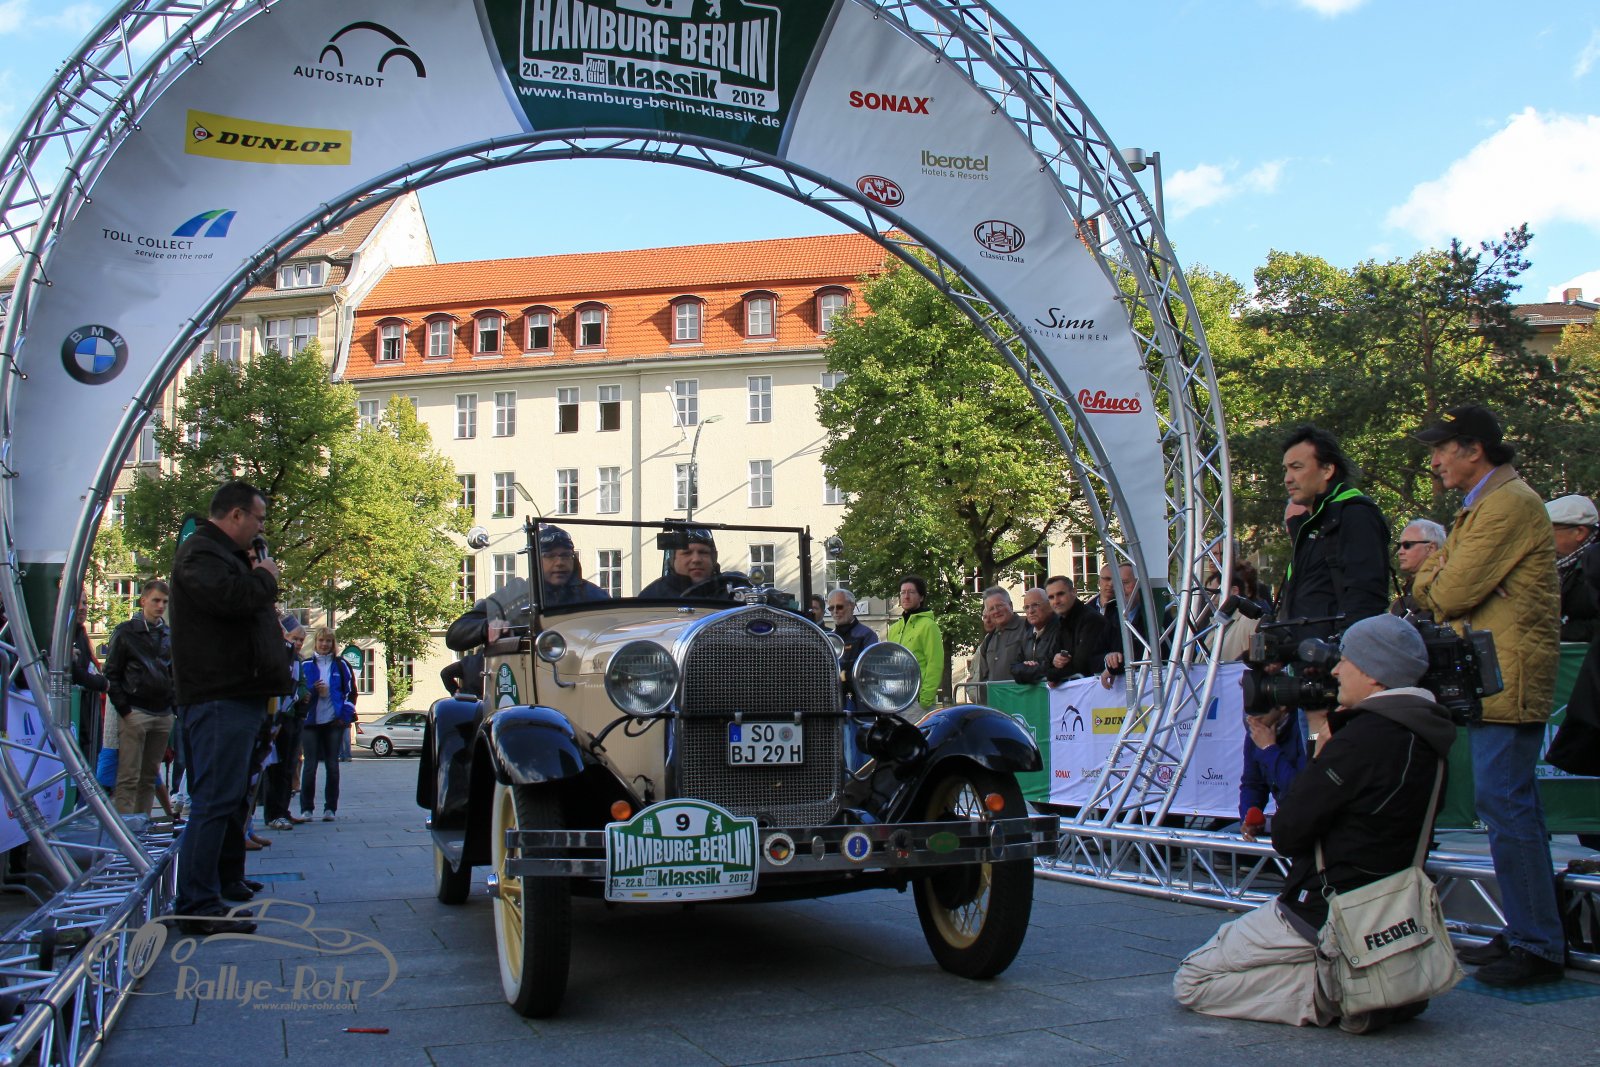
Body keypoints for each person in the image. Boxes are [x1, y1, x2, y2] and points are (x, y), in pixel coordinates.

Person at [1174, 614, 1455, 1031]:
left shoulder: (1360, 739)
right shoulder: (1431, 737)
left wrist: (1319, 748)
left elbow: (1289, 831)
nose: (1336, 671)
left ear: (1374, 673)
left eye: (1346, 661)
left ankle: (1344, 991)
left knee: (1193, 980)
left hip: (1326, 908)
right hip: (1391, 909)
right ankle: (1376, 979)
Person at [1411, 405, 1564, 987]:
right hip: (1496, 675)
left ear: (1474, 449)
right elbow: (1441, 585)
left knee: (1505, 803)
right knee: (1508, 804)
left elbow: (1446, 593)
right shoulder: (1486, 504)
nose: (1434, 461)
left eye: (1441, 448)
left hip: (1507, 676)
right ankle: (1530, 929)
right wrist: (1440, 577)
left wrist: (1436, 576)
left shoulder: (1506, 505)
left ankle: (1536, 943)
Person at [168, 480, 289, 935]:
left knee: (226, 797)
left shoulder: (224, 556)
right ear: (236, 514)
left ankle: (215, 887)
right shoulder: (200, 554)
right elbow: (232, 600)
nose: (261, 528)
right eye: (258, 518)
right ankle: (197, 905)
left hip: (237, 693)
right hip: (219, 696)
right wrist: (264, 577)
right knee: (214, 800)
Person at [1276, 425, 1390, 640]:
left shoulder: (1355, 514)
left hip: (1341, 655)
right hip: (1308, 655)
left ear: (1327, 470)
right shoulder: (1311, 524)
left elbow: (1366, 597)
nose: (1287, 478)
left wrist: (1343, 649)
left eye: (1297, 467)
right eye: (1285, 469)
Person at [446, 524, 609, 651]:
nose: (559, 562)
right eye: (550, 556)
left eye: (566, 555)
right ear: (535, 560)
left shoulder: (593, 595)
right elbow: (455, 634)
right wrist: (487, 627)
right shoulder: (516, 594)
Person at [104, 579, 175, 817]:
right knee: (129, 776)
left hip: (161, 711)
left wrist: (172, 705)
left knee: (149, 776)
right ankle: (127, 827)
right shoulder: (126, 632)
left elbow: (172, 672)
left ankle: (141, 823)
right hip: (136, 710)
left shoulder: (167, 634)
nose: (160, 606)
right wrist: (125, 710)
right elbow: (111, 673)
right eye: (156, 600)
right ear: (143, 601)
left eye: (164, 602)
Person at [299, 627, 355, 822]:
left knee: (332, 765)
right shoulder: (306, 665)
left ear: (333, 644)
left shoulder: (341, 665)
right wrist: (313, 690)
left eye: (328, 641)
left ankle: (330, 808)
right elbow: (298, 692)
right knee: (310, 766)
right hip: (310, 722)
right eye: (321, 640)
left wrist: (344, 717)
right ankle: (306, 809)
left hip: (334, 722)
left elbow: (350, 693)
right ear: (315, 642)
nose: (324, 644)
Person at [263, 620, 309, 831]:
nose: (298, 643)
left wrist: (302, 693)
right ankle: (274, 814)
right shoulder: (278, 657)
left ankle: (283, 810)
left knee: (289, 767)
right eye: (294, 639)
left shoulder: (297, 659)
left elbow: (301, 684)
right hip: (280, 717)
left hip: (294, 717)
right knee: (277, 768)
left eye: (301, 640)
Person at [1237, 705, 1306, 840]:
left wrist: (1269, 749)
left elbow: (1301, 793)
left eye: (1259, 714)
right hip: (1288, 825)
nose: (1251, 719)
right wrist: (1248, 819)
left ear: (1282, 706)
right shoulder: (1256, 731)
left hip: (1311, 824)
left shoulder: (1303, 726)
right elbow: (1253, 784)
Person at [886, 574, 943, 712]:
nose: (906, 596)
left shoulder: (929, 626)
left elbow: (935, 663)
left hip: (917, 700)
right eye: (903, 592)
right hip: (896, 699)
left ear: (921, 597)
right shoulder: (894, 629)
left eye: (911, 592)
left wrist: (925, 699)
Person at [1548, 494, 1599, 643]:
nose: (1542, 539)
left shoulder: (1595, 563)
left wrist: (1557, 631)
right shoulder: (1560, 563)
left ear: (1579, 532)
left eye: (1549, 531)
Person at [638, 527, 736, 600]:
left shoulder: (735, 591)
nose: (696, 559)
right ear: (673, 559)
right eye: (687, 553)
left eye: (703, 552)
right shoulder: (652, 597)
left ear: (713, 558)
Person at [825, 587, 877, 706]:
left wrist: (842, 676)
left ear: (852, 606)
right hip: (833, 701)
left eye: (840, 607)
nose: (835, 611)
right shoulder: (828, 638)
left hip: (860, 701)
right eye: (831, 608)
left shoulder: (866, 635)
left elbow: (869, 671)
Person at [1045, 574, 1102, 680]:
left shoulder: (1090, 619)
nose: (1056, 601)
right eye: (1051, 597)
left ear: (1074, 592)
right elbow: (1051, 657)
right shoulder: (1062, 621)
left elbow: (1082, 664)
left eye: (1060, 594)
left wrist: (1051, 674)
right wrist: (1055, 660)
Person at [1389, 519, 1446, 617]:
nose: (1400, 552)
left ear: (1431, 548)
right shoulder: (1410, 593)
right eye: (1399, 546)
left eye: (1407, 545)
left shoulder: (1443, 591)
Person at [1012, 588, 1068, 685]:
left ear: (1050, 606)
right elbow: (1014, 668)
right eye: (1026, 607)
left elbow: (1057, 668)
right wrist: (1031, 669)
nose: (1031, 611)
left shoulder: (1062, 630)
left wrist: (1028, 670)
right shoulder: (1026, 634)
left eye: (1035, 605)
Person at [971, 588, 1026, 686]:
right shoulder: (989, 639)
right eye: (991, 609)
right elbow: (983, 679)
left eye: (1000, 605)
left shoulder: (1028, 629)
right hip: (995, 696)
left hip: (1023, 694)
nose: (996, 611)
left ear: (1010, 605)